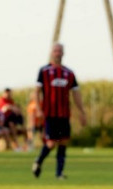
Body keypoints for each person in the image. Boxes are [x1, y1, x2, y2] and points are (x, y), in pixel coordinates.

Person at [32, 43, 86, 179]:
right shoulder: (44, 71)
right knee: (50, 143)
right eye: (55, 50)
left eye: (60, 51)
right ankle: (38, 161)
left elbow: (76, 94)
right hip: (50, 114)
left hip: (64, 114)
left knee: (63, 142)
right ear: (51, 53)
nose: (57, 53)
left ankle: (59, 173)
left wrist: (82, 112)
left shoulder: (69, 73)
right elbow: (37, 92)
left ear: (63, 53)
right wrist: (38, 109)